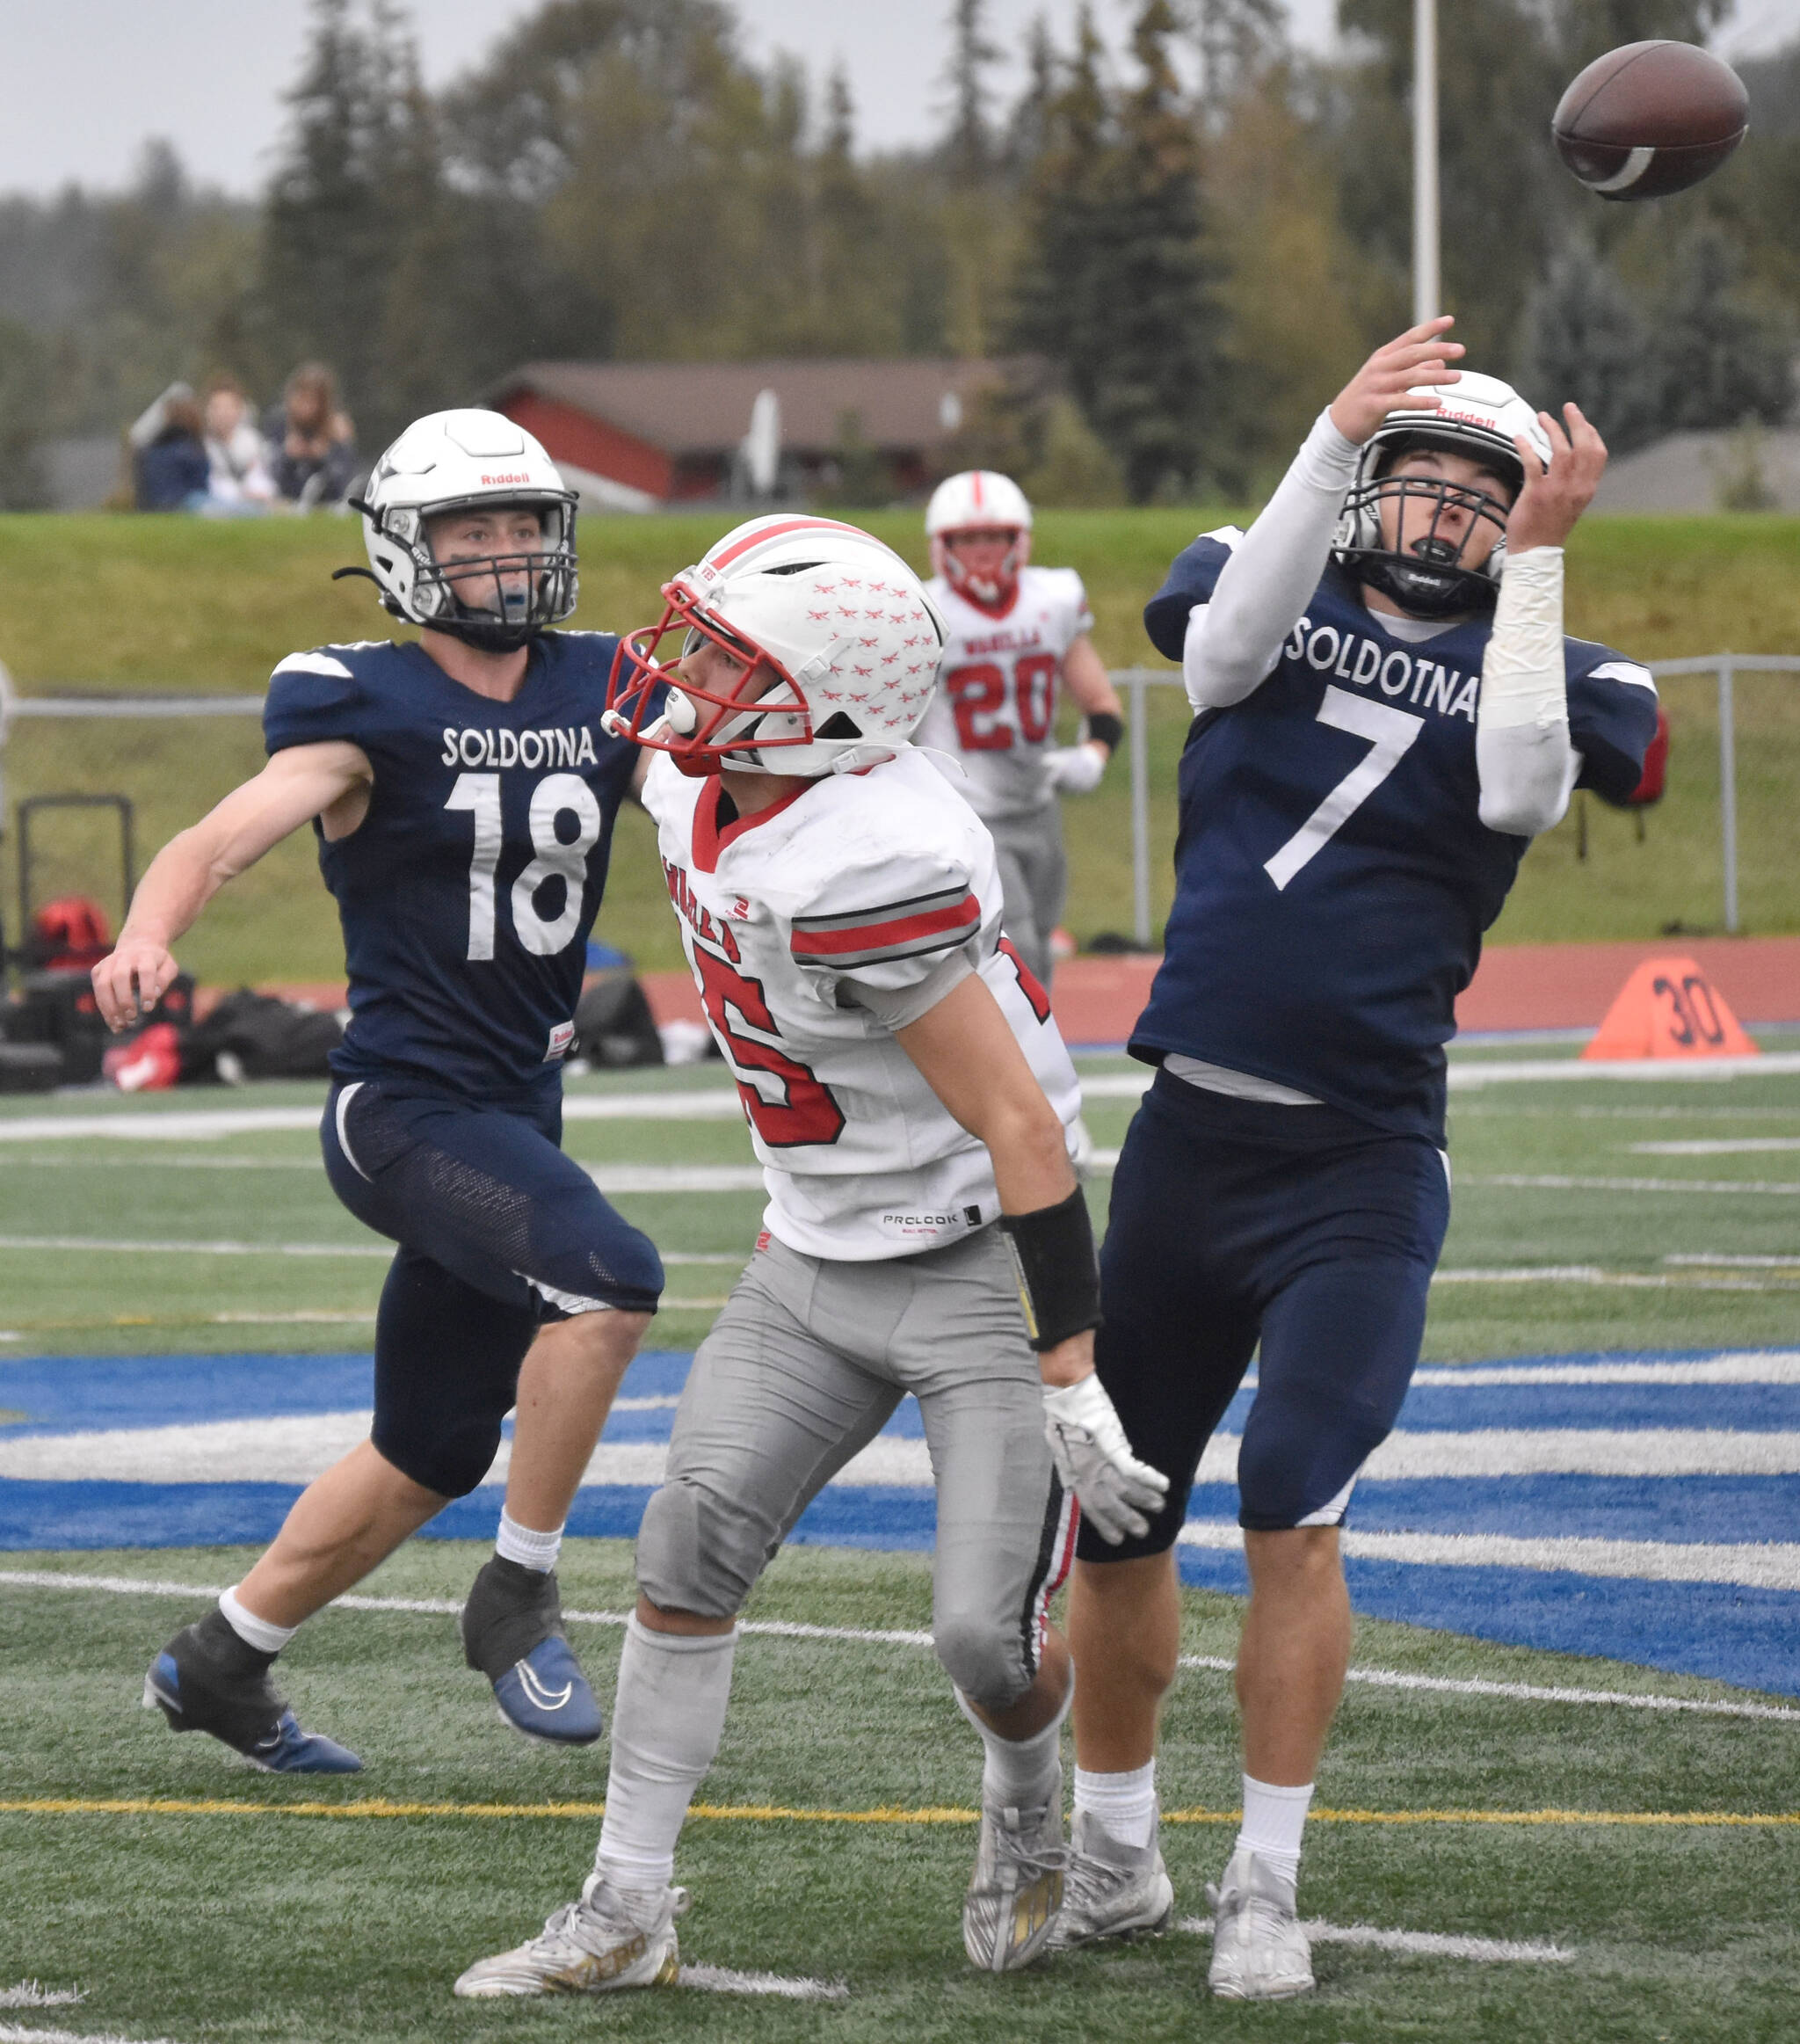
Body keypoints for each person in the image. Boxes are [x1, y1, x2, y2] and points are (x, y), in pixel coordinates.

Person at [452, 513, 1166, 1997]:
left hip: (977, 1255)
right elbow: (588, 715)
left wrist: (1071, 1369)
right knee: (682, 1543)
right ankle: (626, 1905)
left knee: (983, 1636)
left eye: (723, 654)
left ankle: (1032, 1820)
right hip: (813, 1248)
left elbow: (1023, 1134)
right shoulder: (701, 777)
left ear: (821, 703)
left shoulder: (867, 856)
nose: (682, 672)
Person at [1056, 319, 1659, 1997]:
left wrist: (1534, 571)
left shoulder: (1563, 666)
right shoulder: (1254, 586)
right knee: (1112, 1516)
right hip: (1190, 1141)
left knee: (1289, 1504)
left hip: (1358, 1161)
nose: (1449, 513)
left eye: (1486, 494)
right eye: (1424, 480)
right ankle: (1111, 1850)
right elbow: (1225, 651)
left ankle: (1263, 1876)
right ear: (1364, 487)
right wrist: (1328, 426)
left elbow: (1528, 792)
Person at [91, 409, 664, 1772]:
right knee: (611, 1277)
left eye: (526, 524)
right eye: (474, 532)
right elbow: (220, 835)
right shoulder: (364, 706)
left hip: (519, 1109)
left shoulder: (608, 684)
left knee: (431, 1446)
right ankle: (519, 1594)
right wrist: (147, 928)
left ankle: (224, 1658)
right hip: (404, 1112)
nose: (511, 553)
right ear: (408, 555)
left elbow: (724, 801)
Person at [911, 470, 1125, 987]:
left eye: (993, 536)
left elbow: (1100, 702)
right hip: (970, 809)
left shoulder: (1051, 600)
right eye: (967, 538)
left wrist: (1093, 755)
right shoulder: (924, 612)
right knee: (1017, 940)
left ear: (1017, 540)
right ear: (944, 546)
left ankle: (1033, 1050)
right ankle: (1026, 1057)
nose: (981, 550)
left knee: (1042, 936)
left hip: (1037, 804)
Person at [267, 361, 359, 508]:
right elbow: (271, 479)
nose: (306, 407)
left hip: (327, 502)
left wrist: (324, 456)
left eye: (313, 400)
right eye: (301, 398)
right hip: (289, 501)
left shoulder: (336, 429)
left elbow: (344, 484)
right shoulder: (280, 424)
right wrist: (288, 456)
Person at [202, 378, 276, 510]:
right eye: (217, 407)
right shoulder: (201, 446)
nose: (222, 413)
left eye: (228, 407)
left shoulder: (252, 441)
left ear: (240, 410)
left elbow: (262, 477)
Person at [134, 393, 211, 511]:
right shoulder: (190, 450)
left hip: (154, 506)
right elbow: (201, 486)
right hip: (185, 504)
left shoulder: (151, 448)